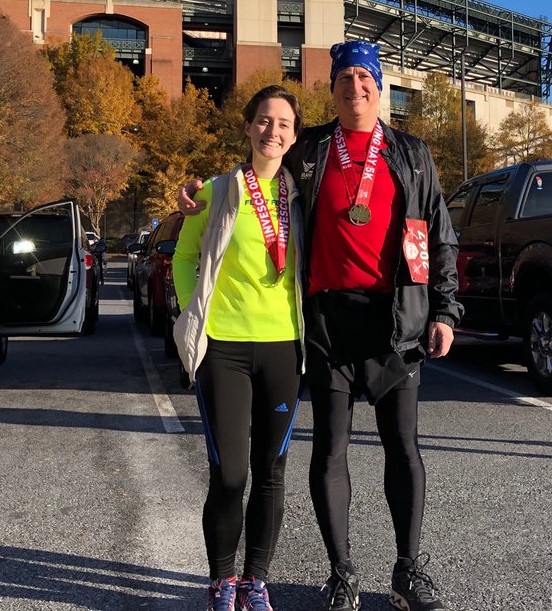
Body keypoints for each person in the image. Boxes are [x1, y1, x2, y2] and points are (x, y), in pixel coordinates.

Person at [181, 41, 461, 611]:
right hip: (328, 323)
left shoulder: (412, 153)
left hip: (396, 322)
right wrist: (195, 192)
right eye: (344, 79)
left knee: (402, 448)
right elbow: (253, 167)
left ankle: (407, 570)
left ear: (379, 87)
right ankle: (342, 573)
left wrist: (444, 310)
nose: (354, 87)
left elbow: (436, 233)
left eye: (364, 78)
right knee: (329, 451)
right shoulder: (309, 149)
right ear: (331, 90)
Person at [172, 84, 306, 611]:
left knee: (271, 470)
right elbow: (184, 256)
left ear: (295, 137)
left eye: (284, 125)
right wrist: (192, 311)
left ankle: (256, 581)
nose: (273, 131)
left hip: (283, 349)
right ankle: (221, 579)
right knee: (230, 472)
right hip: (224, 347)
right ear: (249, 126)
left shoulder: (300, 195)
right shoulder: (216, 189)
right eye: (265, 121)